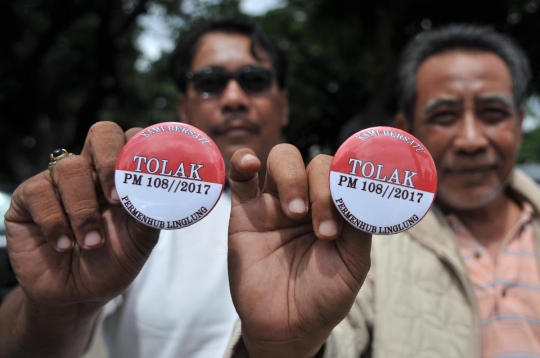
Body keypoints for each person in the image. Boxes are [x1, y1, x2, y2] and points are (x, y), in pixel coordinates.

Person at [223, 24, 540, 358]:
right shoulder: (359, 244)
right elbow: (338, 339)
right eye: (444, 116)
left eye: (493, 113)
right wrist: (286, 347)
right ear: (406, 131)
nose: (471, 140)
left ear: (519, 123)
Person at [0, 16, 288, 358]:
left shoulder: (342, 215)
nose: (234, 98)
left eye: (254, 80)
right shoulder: (131, 213)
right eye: (210, 82)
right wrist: (55, 309)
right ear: (184, 107)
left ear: (283, 106)